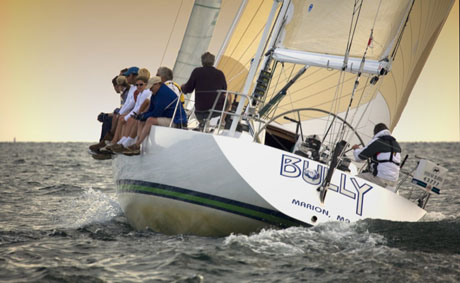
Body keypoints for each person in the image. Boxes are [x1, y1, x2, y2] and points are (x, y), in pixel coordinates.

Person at [123, 76, 188, 155]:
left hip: (176, 120)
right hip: (167, 117)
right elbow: (151, 109)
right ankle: (137, 146)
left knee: (150, 120)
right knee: (141, 120)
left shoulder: (163, 94)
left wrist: (144, 116)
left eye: (151, 87)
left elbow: (157, 113)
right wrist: (141, 116)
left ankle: (137, 145)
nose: (150, 89)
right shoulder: (155, 93)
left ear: (157, 84)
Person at [181, 52, 227, 130]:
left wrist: (182, 87)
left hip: (200, 111)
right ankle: (222, 120)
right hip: (216, 111)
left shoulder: (197, 72)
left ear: (202, 61)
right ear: (213, 61)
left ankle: (203, 124)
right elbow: (224, 90)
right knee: (229, 96)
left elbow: (188, 89)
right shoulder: (220, 74)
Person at [352, 123, 401, 192]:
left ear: (375, 132)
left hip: (380, 179)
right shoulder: (396, 144)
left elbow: (359, 157)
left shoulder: (378, 141)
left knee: (353, 180)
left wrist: (356, 149)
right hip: (393, 182)